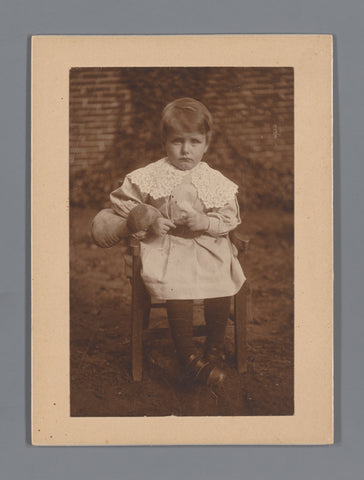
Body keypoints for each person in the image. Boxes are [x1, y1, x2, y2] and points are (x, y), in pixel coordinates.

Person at [92, 97, 246, 386]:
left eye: (194, 142)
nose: (186, 150)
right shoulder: (150, 176)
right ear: (165, 142)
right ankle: (187, 357)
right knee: (178, 284)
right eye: (177, 141)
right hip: (167, 246)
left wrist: (206, 222)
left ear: (206, 144)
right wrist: (149, 219)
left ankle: (212, 352)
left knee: (222, 277)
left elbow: (229, 216)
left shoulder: (214, 179)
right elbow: (122, 206)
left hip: (204, 245)